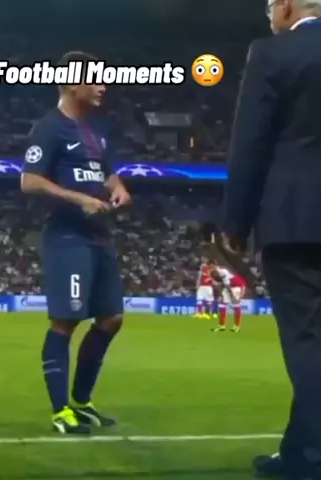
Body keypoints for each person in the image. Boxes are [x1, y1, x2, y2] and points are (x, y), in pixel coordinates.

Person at [221, 0, 321, 477]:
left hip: (295, 218)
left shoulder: (272, 53)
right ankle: (299, 452)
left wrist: (234, 224)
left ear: (286, 7)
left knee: (307, 341)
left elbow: (250, 142)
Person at [21, 51, 130, 435]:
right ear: (70, 83)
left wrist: (118, 188)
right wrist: (78, 198)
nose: (103, 87)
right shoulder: (49, 128)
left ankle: (81, 402)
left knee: (112, 319)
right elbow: (29, 181)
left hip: (100, 235)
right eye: (94, 80)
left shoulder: (97, 130)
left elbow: (107, 172)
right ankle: (60, 411)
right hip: (67, 236)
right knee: (65, 321)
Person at [211, 267, 245, 333]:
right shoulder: (222, 277)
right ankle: (221, 326)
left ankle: (237, 327)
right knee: (222, 306)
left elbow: (242, 285)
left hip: (235, 288)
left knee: (236, 306)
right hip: (228, 288)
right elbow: (223, 286)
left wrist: (240, 296)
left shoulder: (229, 276)